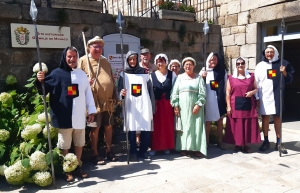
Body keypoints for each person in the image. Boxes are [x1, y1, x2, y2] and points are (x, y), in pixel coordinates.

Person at [36, 46, 96, 181]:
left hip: (79, 114)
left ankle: (77, 166)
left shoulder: (81, 74)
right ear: (64, 57)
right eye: (69, 56)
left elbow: (88, 93)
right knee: (65, 145)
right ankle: (66, 170)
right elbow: (44, 90)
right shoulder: (56, 73)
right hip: (64, 115)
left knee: (79, 143)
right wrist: (40, 81)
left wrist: (91, 110)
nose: (72, 59)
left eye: (74, 56)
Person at [78, 36, 118, 165]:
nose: (98, 49)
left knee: (109, 126)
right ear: (89, 47)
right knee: (95, 128)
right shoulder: (83, 60)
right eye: (95, 46)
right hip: (93, 101)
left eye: (100, 47)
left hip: (107, 101)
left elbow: (110, 77)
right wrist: (85, 81)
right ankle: (95, 154)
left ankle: (109, 151)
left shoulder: (105, 61)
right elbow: (75, 79)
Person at [255, 45, 294, 153]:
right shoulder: (260, 66)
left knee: (277, 118)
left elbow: (290, 79)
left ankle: (279, 142)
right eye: (267, 52)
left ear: (275, 52)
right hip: (264, 96)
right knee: (265, 117)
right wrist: (257, 97)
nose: (269, 54)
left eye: (271, 52)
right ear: (264, 53)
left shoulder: (283, 64)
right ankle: (266, 141)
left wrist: (284, 73)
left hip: (276, 95)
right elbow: (256, 82)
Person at [118, 51, 155, 161]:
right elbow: (119, 90)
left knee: (145, 127)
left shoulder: (145, 72)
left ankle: (143, 151)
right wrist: (121, 93)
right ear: (127, 61)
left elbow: (150, 91)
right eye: (130, 59)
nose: (133, 61)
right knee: (132, 129)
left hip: (144, 105)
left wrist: (152, 107)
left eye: (134, 59)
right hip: (131, 105)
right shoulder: (123, 74)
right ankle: (133, 151)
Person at [171, 57, 207, 157]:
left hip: (195, 107)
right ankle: (184, 147)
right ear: (183, 66)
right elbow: (174, 93)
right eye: (186, 64)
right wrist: (176, 105)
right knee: (184, 127)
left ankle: (196, 148)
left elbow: (203, 93)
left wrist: (198, 104)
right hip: (183, 107)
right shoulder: (179, 78)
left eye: (190, 64)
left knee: (196, 127)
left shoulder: (198, 78)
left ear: (193, 66)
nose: (188, 66)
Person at [224, 57, 261, 153]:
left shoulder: (251, 76)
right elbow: (228, 93)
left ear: (245, 64)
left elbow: (256, 88)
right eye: (238, 64)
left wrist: (252, 92)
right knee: (237, 124)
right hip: (235, 104)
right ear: (236, 66)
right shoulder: (231, 78)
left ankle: (246, 144)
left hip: (248, 103)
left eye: (242, 63)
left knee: (247, 123)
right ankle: (238, 144)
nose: (240, 65)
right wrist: (228, 106)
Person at [150, 54, 176, 155]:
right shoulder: (152, 75)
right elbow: (150, 90)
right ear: (156, 63)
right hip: (157, 104)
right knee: (156, 126)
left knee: (167, 125)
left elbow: (175, 89)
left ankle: (166, 146)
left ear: (166, 62)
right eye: (158, 61)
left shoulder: (172, 74)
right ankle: (155, 147)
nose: (160, 63)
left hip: (168, 104)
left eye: (162, 61)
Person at [200, 52, 227, 150]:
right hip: (208, 99)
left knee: (220, 120)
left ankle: (220, 140)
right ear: (208, 60)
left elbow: (225, 85)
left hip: (219, 98)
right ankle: (207, 142)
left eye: (215, 59)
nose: (213, 61)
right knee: (207, 121)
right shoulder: (203, 71)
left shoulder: (222, 71)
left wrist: (224, 98)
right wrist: (202, 76)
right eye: (211, 59)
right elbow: (199, 84)